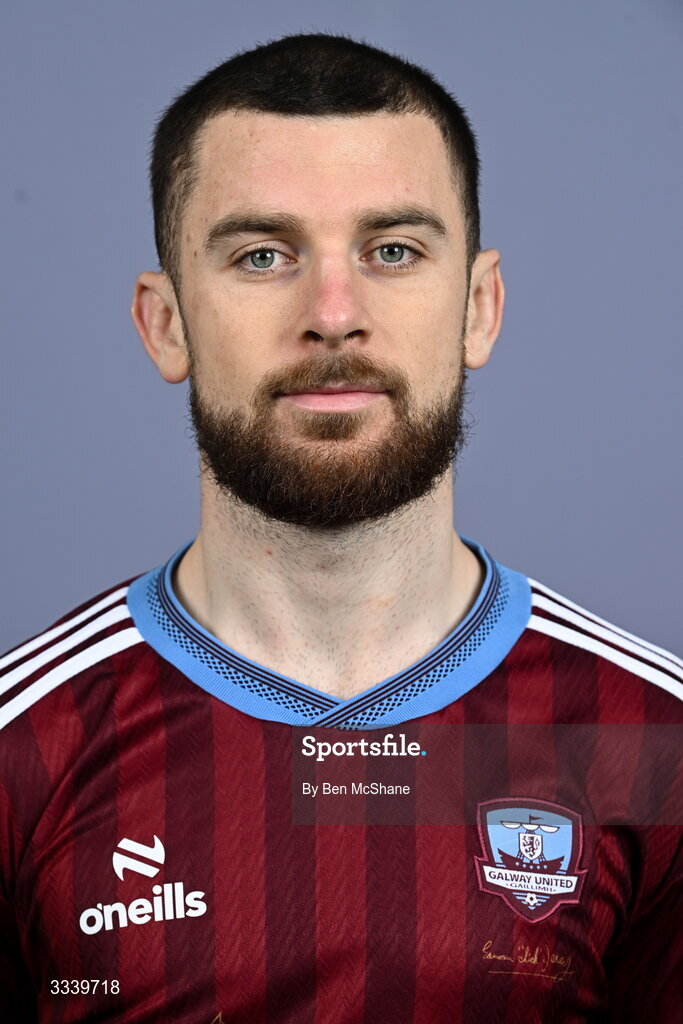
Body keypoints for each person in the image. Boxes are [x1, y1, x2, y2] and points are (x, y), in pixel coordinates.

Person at [1, 31, 681, 1024]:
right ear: (166, 324)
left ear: (478, 308)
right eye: (262, 254)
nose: (333, 313)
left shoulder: (648, 741)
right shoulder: (24, 752)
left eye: (392, 250)